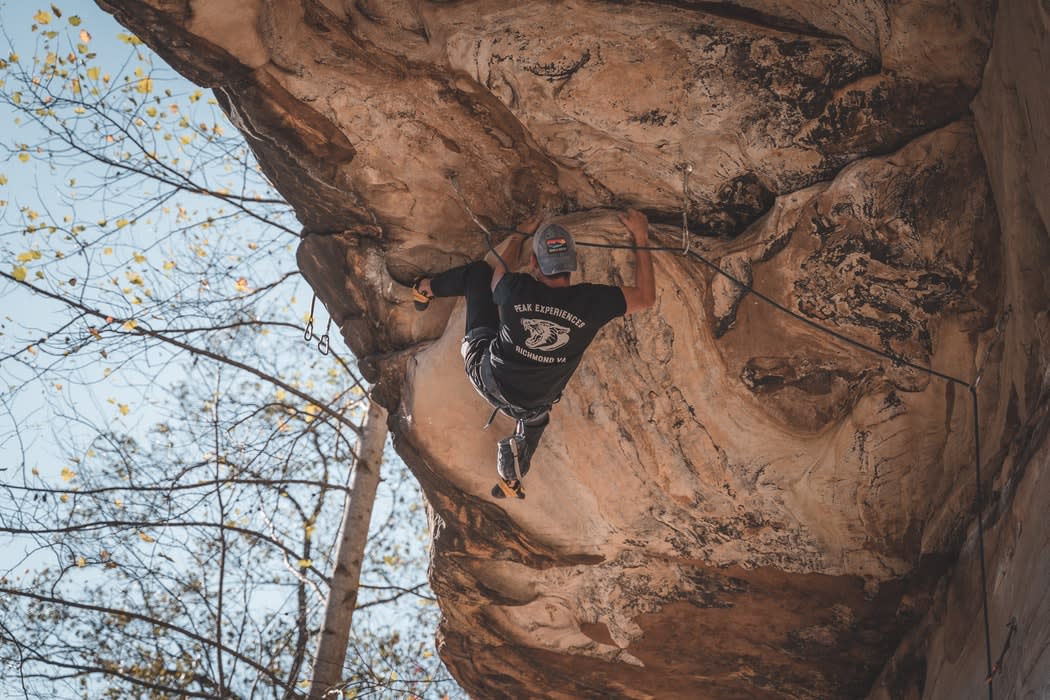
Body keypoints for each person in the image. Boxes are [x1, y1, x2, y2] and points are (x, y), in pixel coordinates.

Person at [412, 209, 656, 499]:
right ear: (574, 263)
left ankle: (424, 289)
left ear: (533, 264)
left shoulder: (517, 289)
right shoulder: (592, 302)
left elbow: (497, 274)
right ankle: (512, 474)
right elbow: (645, 298)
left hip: (489, 377)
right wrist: (640, 234)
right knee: (536, 413)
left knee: (477, 273)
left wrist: (518, 235)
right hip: (532, 402)